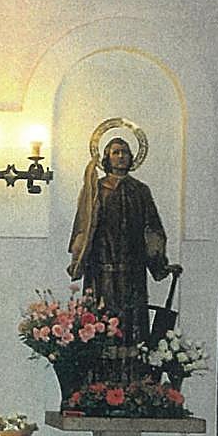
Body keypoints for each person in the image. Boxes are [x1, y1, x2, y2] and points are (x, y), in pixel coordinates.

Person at [68, 137, 181, 358]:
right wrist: (77, 258)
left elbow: (152, 229)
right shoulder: (95, 190)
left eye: (125, 152)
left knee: (132, 329)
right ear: (107, 157)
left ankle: (133, 378)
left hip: (132, 272)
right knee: (101, 324)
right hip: (101, 271)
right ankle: (99, 378)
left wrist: (160, 264)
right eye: (116, 152)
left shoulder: (140, 191)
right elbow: (83, 225)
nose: (121, 156)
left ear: (132, 158)